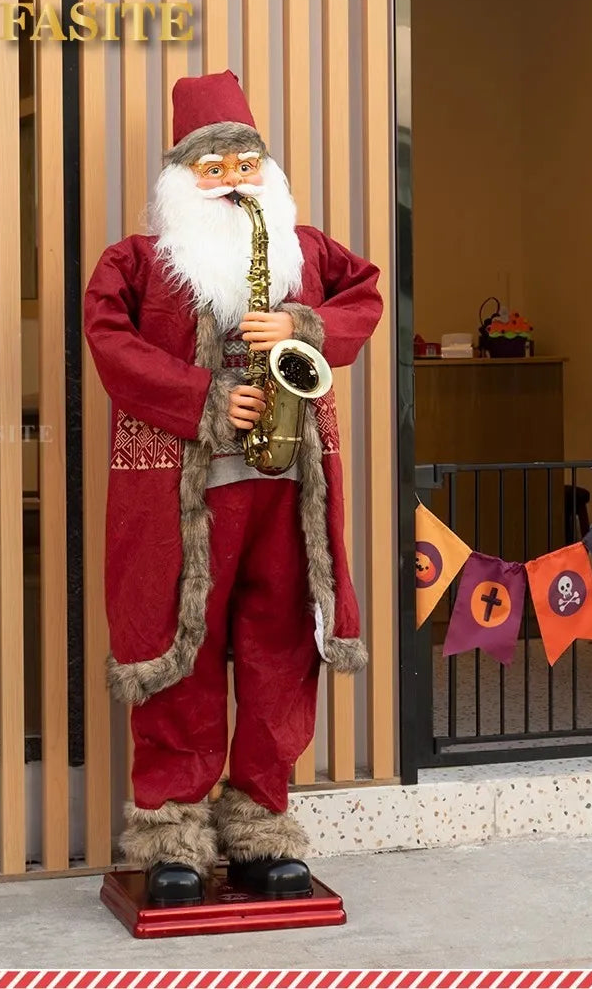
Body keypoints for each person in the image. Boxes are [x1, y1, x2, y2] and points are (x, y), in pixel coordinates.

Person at [83, 70, 383, 905]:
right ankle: (171, 834)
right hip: (183, 501)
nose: (232, 182)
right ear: (180, 179)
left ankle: (260, 825)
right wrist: (205, 400)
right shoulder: (135, 263)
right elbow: (109, 342)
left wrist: (302, 324)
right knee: (179, 653)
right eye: (212, 169)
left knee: (280, 651)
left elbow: (366, 294)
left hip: (288, 493)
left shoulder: (305, 251)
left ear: (266, 170)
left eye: (244, 165)